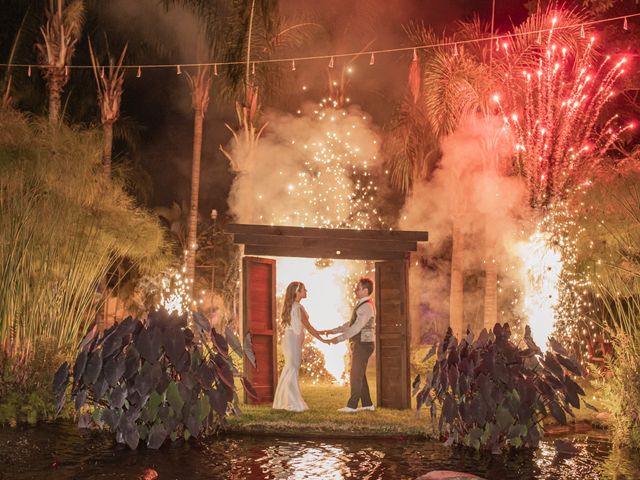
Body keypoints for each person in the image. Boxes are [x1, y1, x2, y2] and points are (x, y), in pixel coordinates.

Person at [321, 278, 376, 413]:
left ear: (365, 290)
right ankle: (367, 404)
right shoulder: (363, 305)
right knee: (360, 374)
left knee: (355, 375)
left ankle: (352, 406)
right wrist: (333, 330)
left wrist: (338, 339)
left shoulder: (366, 306)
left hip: (363, 344)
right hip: (362, 344)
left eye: (358, 288)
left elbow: (356, 327)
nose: (355, 290)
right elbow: (351, 324)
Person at [272, 281, 325, 412]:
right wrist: (322, 339)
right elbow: (308, 326)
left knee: (289, 368)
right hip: (293, 341)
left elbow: (305, 327)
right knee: (292, 369)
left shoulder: (292, 306)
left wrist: (319, 333)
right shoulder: (297, 308)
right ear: (297, 292)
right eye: (304, 289)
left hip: (290, 340)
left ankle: (282, 401)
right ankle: (292, 403)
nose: (306, 291)